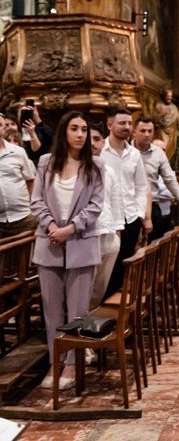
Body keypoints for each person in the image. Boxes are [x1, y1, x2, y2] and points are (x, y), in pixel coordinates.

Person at [31, 111, 104, 390]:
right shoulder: (46, 163)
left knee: (77, 311)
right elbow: (36, 200)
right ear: (63, 132)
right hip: (48, 242)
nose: (80, 134)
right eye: (74, 128)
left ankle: (72, 365)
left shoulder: (95, 165)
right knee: (51, 309)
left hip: (81, 242)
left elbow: (95, 206)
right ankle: (54, 361)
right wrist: (51, 226)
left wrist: (70, 229)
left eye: (84, 129)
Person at [100, 108, 149, 300]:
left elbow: (141, 186)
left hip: (130, 216)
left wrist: (139, 214)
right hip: (108, 219)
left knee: (123, 264)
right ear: (109, 125)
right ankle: (99, 305)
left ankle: (112, 311)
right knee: (105, 266)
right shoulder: (99, 151)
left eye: (129, 123)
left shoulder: (134, 154)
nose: (127, 127)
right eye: (122, 123)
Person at [132, 117, 179, 242]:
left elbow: (170, 179)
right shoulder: (126, 151)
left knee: (153, 249)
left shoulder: (158, 153)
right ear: (134, 131)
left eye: (150, 131)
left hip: (153, 204)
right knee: (129, 251)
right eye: (143, 131)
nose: (147, 135)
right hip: (131, 206)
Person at [89, 123, 124, 309]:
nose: (92, 143)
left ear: (103, 143)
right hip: (87, 235)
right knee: (85, 284)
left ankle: (91, 316)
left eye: (96, 139)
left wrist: (117, 235)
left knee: (100, 286)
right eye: (89, 139)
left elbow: (116, 203)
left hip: (109, 234)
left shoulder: (109, 171)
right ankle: (77, 322)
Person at [0, 114, 37, 238]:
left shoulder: (18, 152)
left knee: (25, 257)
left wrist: (32, 207)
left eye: (0, 125)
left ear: (4, 128)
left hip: (23, 217)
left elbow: (30, 181)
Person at [155, 89, 179, 163]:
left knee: (172, 148)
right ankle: (162, 163)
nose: (169, 98)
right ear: (164, 96)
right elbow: (153, 118)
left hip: (173, 130)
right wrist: (161, 115)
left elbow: (177, 116)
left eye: (170, 97)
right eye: (168, 96)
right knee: (164, 146)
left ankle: (168, 164)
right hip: (162, 130)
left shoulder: (173, 106)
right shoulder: (159, 106)